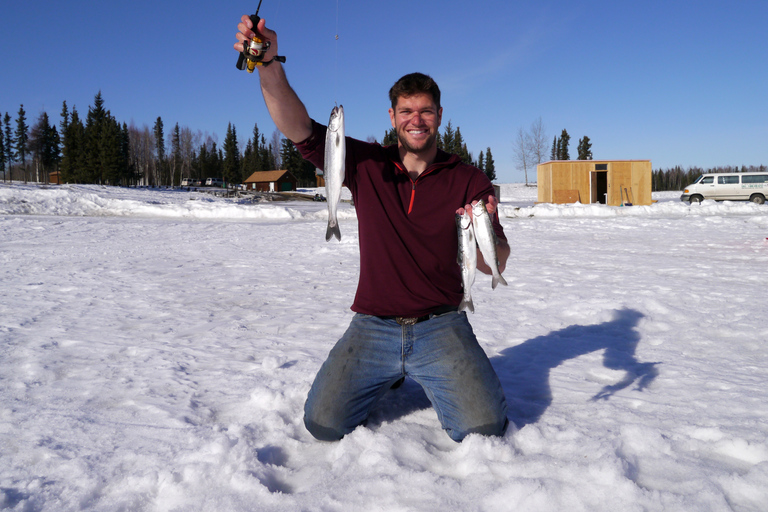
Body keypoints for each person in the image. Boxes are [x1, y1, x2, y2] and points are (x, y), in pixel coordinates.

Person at [235, 16, 510, 442]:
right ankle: (388, 373)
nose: (415, 120)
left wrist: (487, 229)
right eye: (406, 111)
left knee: (483, 428)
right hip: (373, 325)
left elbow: (495, 265)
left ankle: (415, 371)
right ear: (392, 115)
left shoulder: (470, 179)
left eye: (425, 111)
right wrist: (269, 63)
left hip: (441, 324)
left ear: (439, 115)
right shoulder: (363, 163)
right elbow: (297, 127)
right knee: (322, 424)